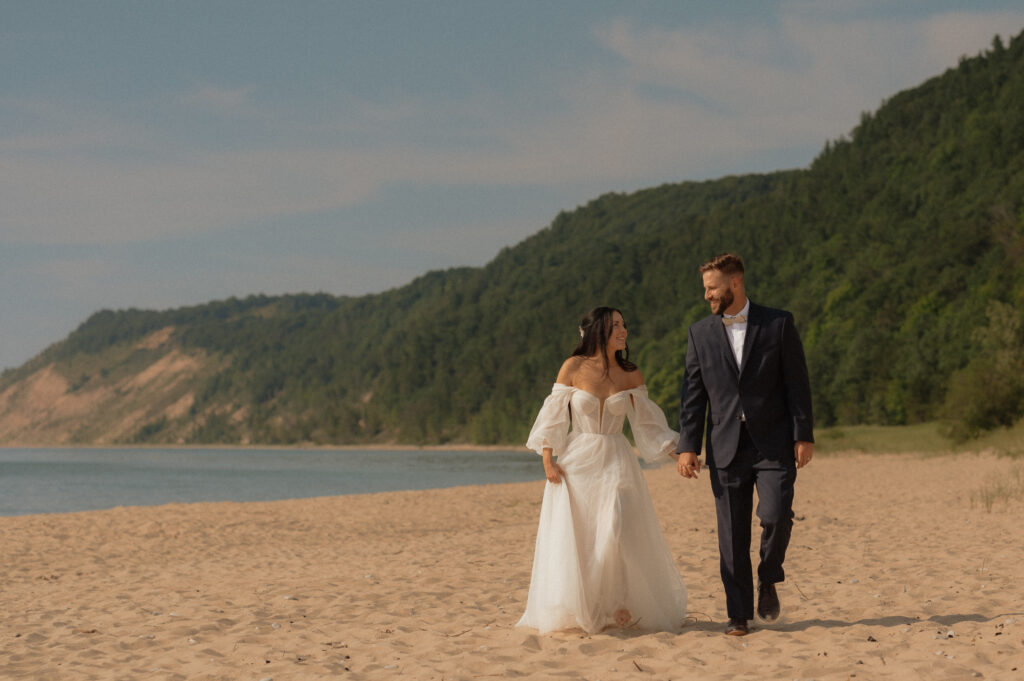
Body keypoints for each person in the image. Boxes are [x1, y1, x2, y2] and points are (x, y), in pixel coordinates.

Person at [517, 306, 687, 634]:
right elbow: (554, 416)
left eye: (625, 325)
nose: (624, 331)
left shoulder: (631, 373)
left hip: (616, 457)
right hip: (577, 460)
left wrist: (677, 452)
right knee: (581, 536)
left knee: (616, 524)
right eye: (617, 326)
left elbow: (648, 424)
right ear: (600, 331)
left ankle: (618, 600)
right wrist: (547, 460)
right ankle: (590, 605)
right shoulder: (573, 367)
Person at [675, 253, 814, 636]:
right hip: (724, 447)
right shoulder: (699, 333)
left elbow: (797, 384)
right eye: (705, 289)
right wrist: (689, 445)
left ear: (735, 283)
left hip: (773, 443)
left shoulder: (778, 323)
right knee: (732, 536)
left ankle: (768, 577)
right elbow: (692, 395)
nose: (707, 296)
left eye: (712, 287)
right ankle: (739, 616)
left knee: (775, 515)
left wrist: (803, 434)